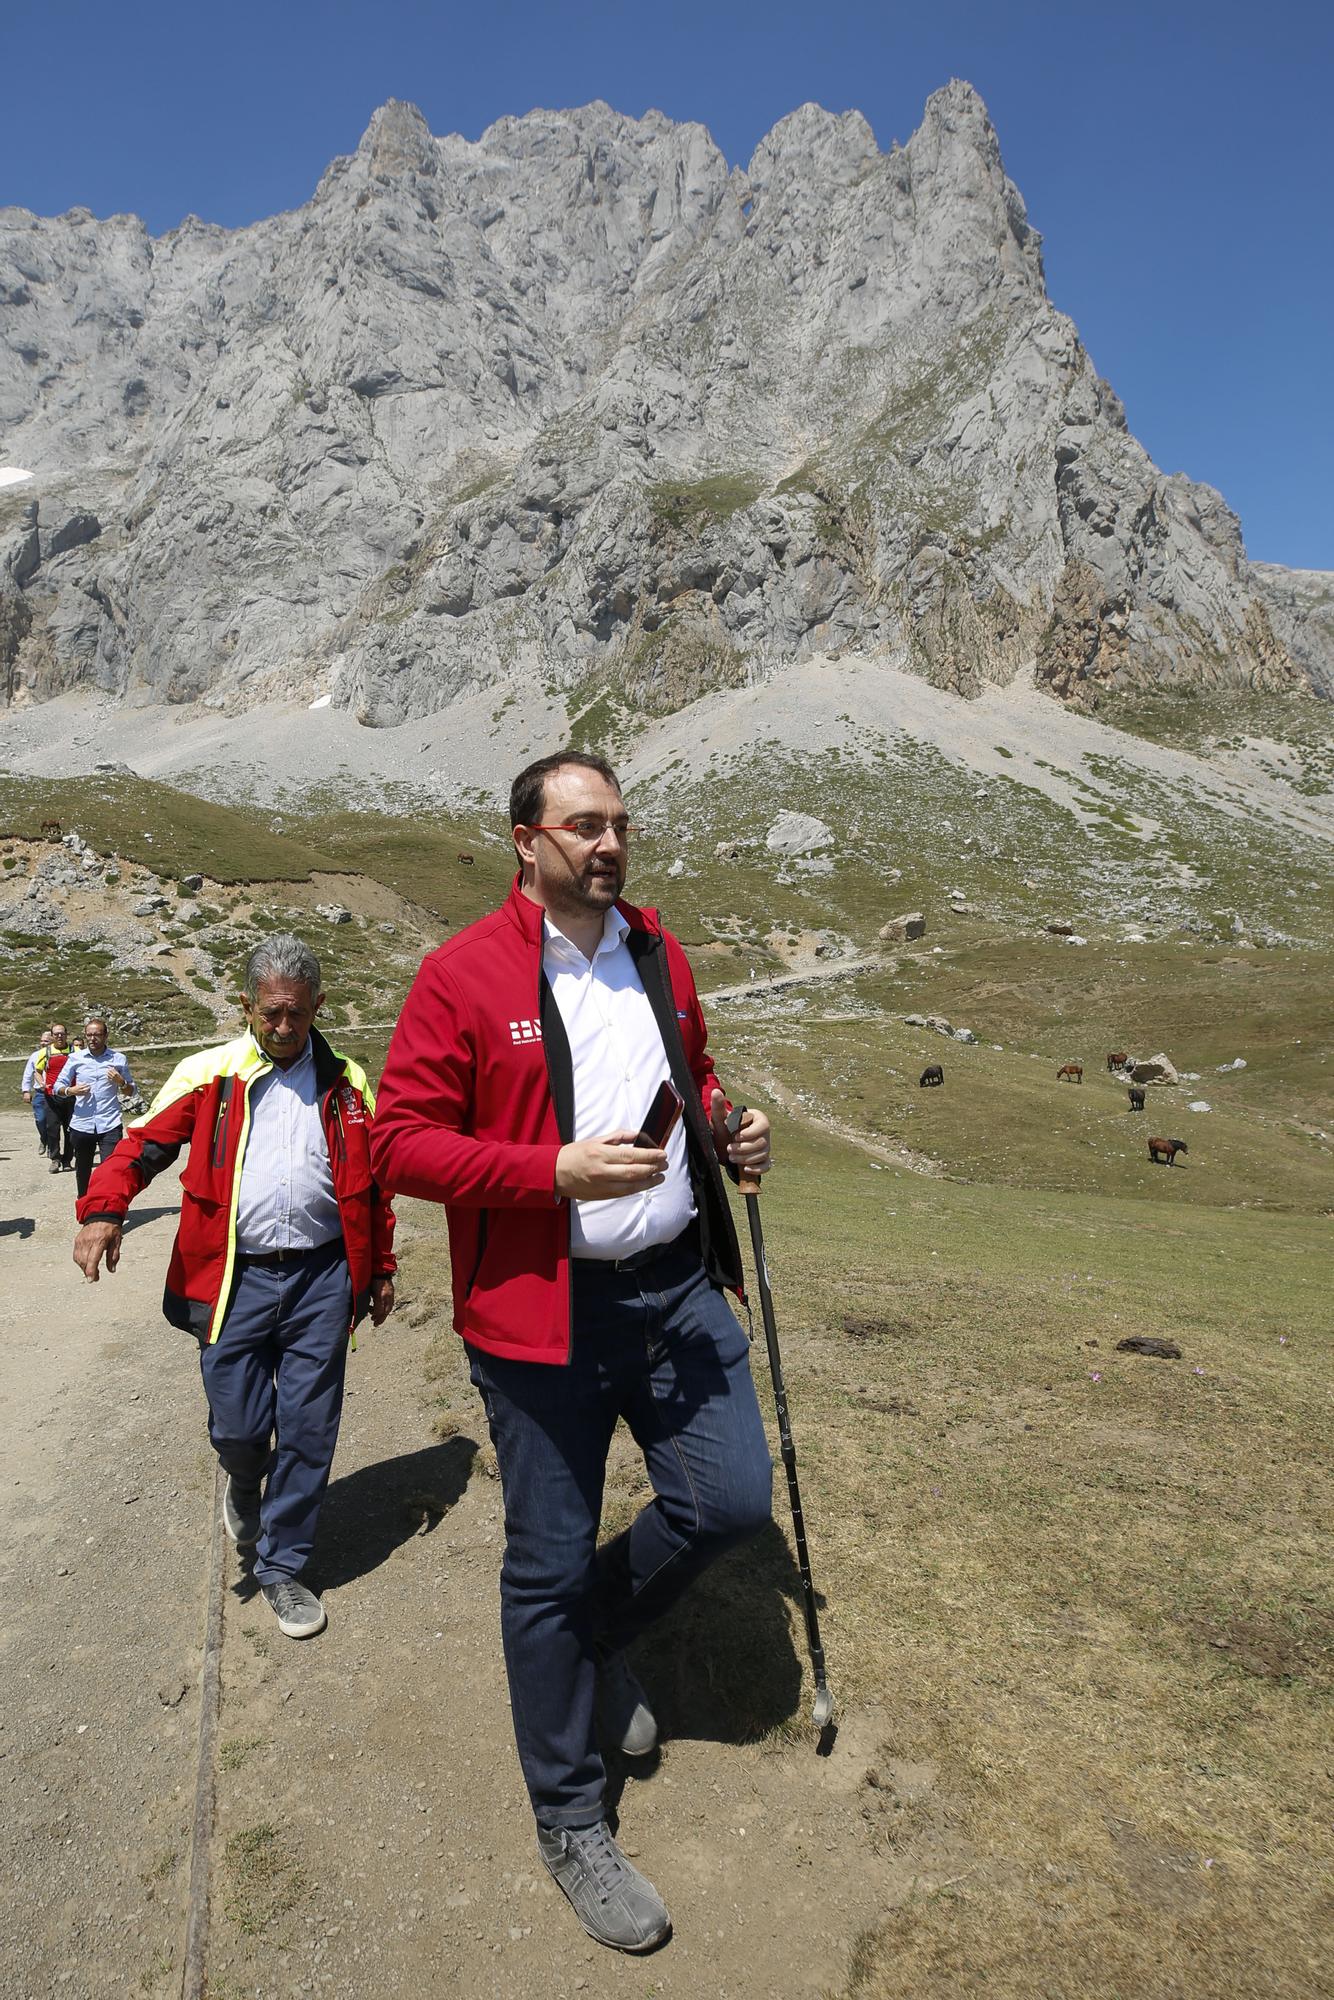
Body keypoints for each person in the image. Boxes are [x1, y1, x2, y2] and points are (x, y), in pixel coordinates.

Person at [371, 751, 774, 1953]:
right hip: (541, 1316)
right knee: (541, 1563)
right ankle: (568, 1814)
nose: (608, 843)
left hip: (674, 1288)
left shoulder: (653, 946)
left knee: (729, 1500)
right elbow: (398, 1141)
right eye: (582, 824)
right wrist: (543, 1171)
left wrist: (721, 1124)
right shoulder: (461, 974)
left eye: (619, 824)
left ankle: (593, 1639)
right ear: (525, 842)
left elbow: (683, 1072)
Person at [71, 935, 397, 1641]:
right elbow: (139, 1148)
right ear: (247, 1006)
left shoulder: (349, 1083)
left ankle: (282, 1567)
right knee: (243, 1430)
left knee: (309, 1430)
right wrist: (103, 1212)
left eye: (298, 1016)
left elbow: (373, 1191)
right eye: (271, 1013)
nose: (283, 1029)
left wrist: (382, 1271)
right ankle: (243, 1479)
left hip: (321, 1278)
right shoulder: (208, 1075)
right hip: (232, 1281)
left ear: (318, 1009)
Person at [57, 1015, 136, 1199]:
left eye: (97, 1034)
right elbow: (57, 1086)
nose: (92, 1039)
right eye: (89, 1035)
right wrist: (70, 1090)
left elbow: (131, 1091)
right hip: (82, 1124)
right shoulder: (75, 1058)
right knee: (83, 1169)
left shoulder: (119, 1059)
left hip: (109, 1123)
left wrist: (121, 1082)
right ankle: (84, 1204)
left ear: (105, 1036)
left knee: (110, 1170)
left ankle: (107, 1208)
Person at [38, 1023, 75, 1172]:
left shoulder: (75, 1051)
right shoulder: (45, 1052)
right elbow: (37, 1070)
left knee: (70, 1130)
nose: (59, 1036)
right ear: (52, 1036)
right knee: (52, 1129)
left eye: (62, 1033)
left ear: (67, 1034)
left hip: (71, 1096)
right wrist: (41, 1082)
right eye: (56, 1034)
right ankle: (55, 1159)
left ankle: (67, 1160)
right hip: (51, 1097)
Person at [20, 1028, 52, 1156]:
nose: (43, 1043)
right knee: (40, 1119)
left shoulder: (58, 1054)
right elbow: (28, 1074)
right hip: (40, 1093)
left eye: (46, 1041)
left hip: (55, 1093)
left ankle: (52, 1147)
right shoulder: (35, 1056)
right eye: (42, 1041)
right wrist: (26, 1091)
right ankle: (44, 1139)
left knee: (53, 1122)